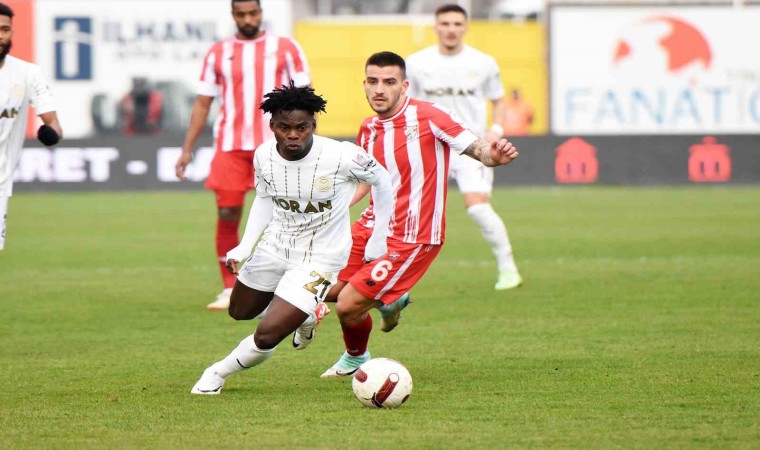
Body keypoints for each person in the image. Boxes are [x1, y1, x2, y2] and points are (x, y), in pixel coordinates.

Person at [320, 51, 519, 377]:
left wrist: (492, 156)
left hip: (413, 236)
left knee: (348, 304)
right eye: (372, 81)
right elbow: (366, 181)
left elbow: (478, 149)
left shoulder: (430, 116)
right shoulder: (368, 128)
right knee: (323, 288)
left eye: (389, 82)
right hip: (372, 226)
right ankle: (388, 301)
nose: (379, 89)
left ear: (404, 86)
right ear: (364, 84)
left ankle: (357, 355)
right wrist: (334, 208)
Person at [190, 82, 394, 395]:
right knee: (239, 311)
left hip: (321, 257)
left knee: (267, 334)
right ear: (272, 126)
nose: (293, 134)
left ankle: (217, 372)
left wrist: (379, 238)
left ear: (313, 125)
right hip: (274, 247)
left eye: (301, 127)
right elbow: (264, 199)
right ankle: (307, 311)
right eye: (285, 128)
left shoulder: (341, 155)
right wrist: (245, 246)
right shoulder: (263, 156)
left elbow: (381, 179)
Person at [175, 0, 311, 310]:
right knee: (227, 213)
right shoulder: (218, 52)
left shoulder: (286, 48)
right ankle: (229, 287)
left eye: (253, 13)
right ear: (233, 15)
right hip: (231, 145)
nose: (248, 19)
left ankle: (287, 285)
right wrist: (186, 149)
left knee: (288, 215)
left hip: (277, 146)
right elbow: (203, 102)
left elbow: (306, 98)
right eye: (241, 14)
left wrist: (308, 144)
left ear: (260, 13)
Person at [405, 4, 522, 291]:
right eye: (445, 23)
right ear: (436, 27)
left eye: (457, 24)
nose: (451, 29)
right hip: (430, 146)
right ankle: (396, 278)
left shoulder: (483, 63)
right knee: (411, 211)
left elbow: (498, 100)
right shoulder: (416, 63)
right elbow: (408, 105)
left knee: (478, 207)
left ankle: (508, 269)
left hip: (471, 145)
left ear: (466, 28)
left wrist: (496, 131)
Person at [0, 2, 62, 251]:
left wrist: (51, 133)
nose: (0, 36)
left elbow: (53, 123)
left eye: (5, 30)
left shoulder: (27, 73)